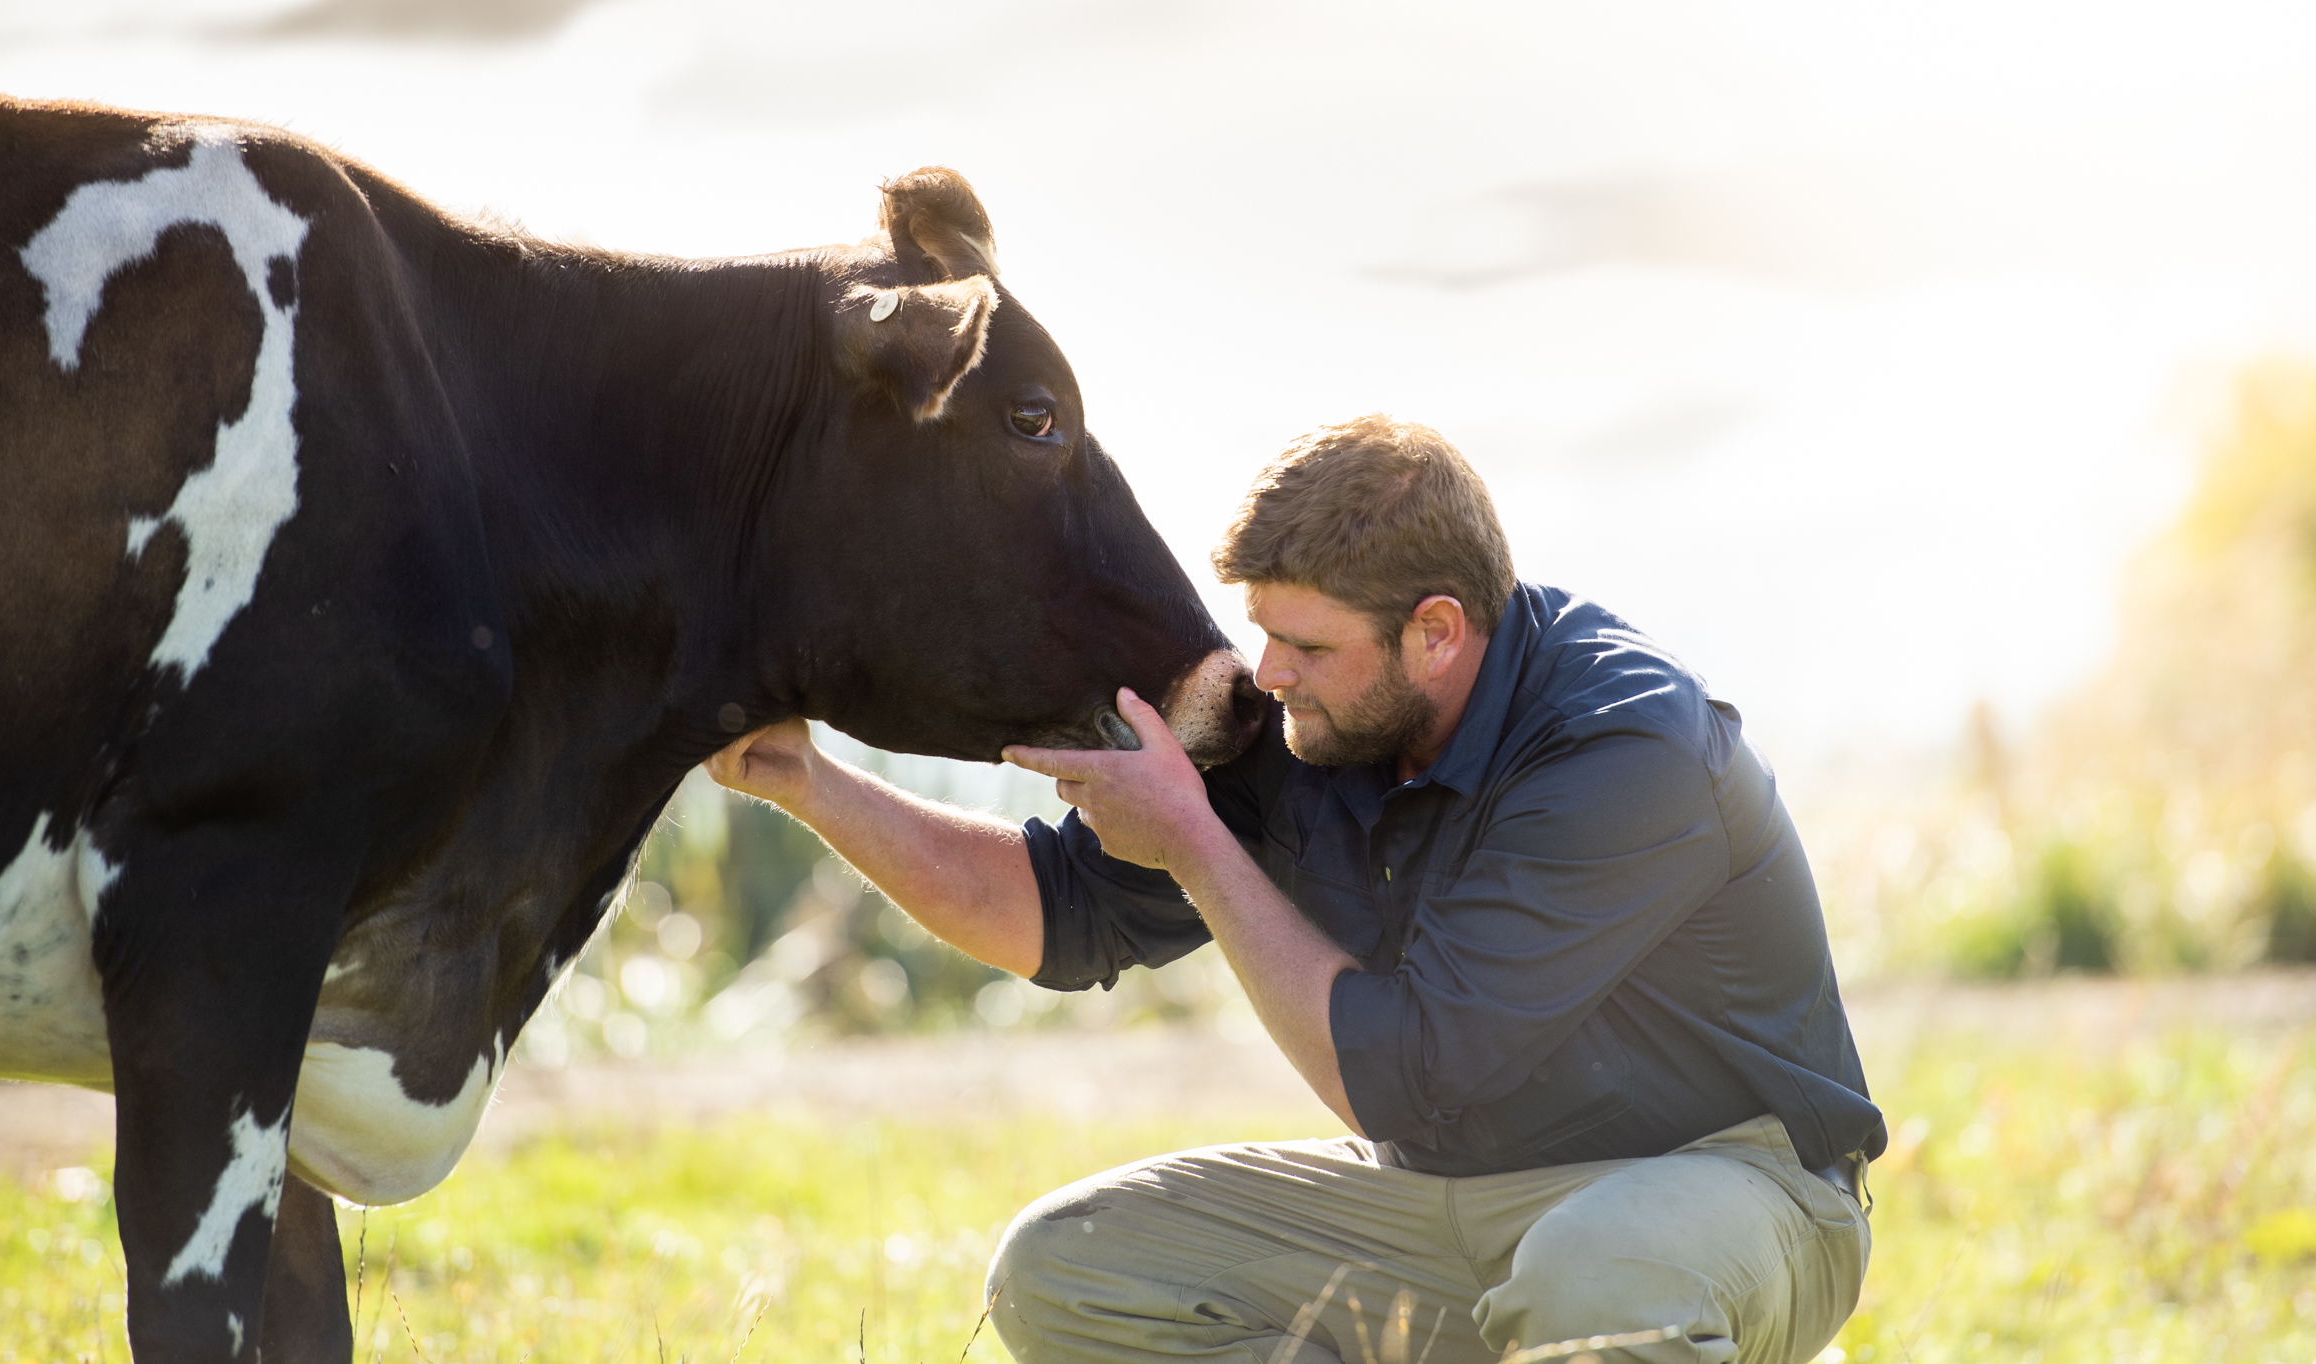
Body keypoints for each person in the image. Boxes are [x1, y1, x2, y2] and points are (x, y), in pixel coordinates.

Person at [709, 415, 1884, 1364]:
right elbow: (1051, 918)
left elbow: (1405, 1071)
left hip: (1724, 1193)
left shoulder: (1624, 754)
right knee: (1064, 1268)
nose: (1267, 676)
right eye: (1263, 633)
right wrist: (811, 782)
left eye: (1306, 648)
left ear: (1437, 632)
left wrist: (1200, 848)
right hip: (1441, 1207)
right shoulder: (1313, 729)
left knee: (1597, 1279)